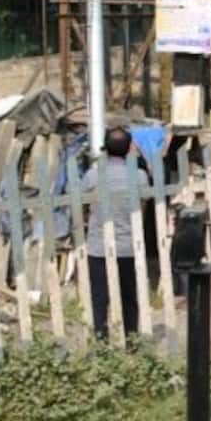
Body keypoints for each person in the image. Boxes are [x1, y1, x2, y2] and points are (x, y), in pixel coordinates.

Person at [82, 126, 148, 337]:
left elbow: (81, 204)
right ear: (129, 148)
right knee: (130, 298)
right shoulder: (139, 176)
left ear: (105, 149)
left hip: (98, 247)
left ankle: (101, 343)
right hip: (129, 246)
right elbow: (143, 206)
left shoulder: (93, 175)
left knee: (100, 298)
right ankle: (131, 340)